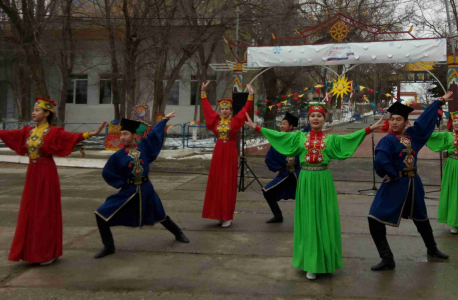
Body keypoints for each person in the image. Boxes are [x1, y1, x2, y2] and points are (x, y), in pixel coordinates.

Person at [245, 104, 384, 280]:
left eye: (319, 115)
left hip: (323, 180)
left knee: (324, 218)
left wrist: (369, 128)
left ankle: (325, 260)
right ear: (308, 119)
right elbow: (279, 136)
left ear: (324, 119)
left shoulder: (331, 139)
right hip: (306, 179)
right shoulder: (299, 138)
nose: (316, 118)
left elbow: (349, 139)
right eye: (313, 116)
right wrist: (257, 127)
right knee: (309, 219)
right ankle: (310, 262)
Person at [0, 98, 106, 265]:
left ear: (47, 113)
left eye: (37, 110)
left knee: (44, 212)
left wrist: (90, 134)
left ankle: (47, 252)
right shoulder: (28, 131)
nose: (33, 112)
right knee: (30, 211)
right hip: (32, 173)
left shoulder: (54, 132)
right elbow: (7, 134)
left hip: (47, 173)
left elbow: (72, 137)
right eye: (34, 109)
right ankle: (30, 252)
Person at [368, 93, 453, 272]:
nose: (394, 122)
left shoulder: (414, 137)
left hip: (414, 184)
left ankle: (432, 249)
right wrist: (390, 173)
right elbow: (380, 160)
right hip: (394, 184)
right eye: (392, 119)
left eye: (399, 119)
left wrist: (439, 101)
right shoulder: (388, 140)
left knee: (421, 218)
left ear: (406, 122)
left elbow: (424, 122)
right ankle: (387, 259)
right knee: (374, 218)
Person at [94, 112, 189, 259]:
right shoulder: (118, 156)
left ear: (134, 135)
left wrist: (164, 120)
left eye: (125, 134)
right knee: (101, 214)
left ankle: (178, 233)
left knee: (161, 214)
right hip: (128, 192)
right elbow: (107, 173)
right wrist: (121, 183)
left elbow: (154, 136)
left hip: (146, 189)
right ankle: (109, 246)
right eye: (121, 134)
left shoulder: (144, 147)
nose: (122, 137)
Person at [200, 81, 254, 228]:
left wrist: (250, 96)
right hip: (218, 152)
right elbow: (207, 110)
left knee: (227, 183)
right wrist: (203, 94)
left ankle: (227, 215)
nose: (224, 111)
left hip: (230, 153)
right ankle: (218, 214)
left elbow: (244, 112)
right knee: (216, 182)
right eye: (222, 108)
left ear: (230, 110)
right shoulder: (216, 120)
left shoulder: (235, 121)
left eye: (227, 108)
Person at [262, 112, 309, 223]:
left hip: (298, 173)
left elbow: (309, 130)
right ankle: (278, 216)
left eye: (284, 124)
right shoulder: (278, 140)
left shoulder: (298, 137)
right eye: (281, 124)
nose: (281, 126)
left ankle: (306, 218)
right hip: (286, 174)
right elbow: (269, 158)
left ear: (291, 127)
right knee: (267, 191)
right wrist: (279, 167)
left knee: (304, 195)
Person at [426, 110, 458, 234]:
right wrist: (418, 130)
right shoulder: (447, 135)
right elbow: (431, 137)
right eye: (455, 121)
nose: (456, 123)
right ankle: (454, 222)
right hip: (452, 166)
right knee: (453, 193)